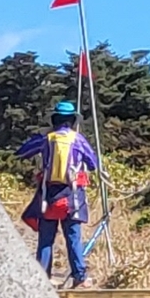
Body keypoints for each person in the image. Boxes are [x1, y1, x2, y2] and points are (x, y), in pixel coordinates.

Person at [18, 95, 99, 285]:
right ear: (72, 121)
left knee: (46, 239)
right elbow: (93, 164)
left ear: (54, 120)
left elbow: (22, 152)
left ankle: (42, 278)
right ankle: (79, 276)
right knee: (73, 238)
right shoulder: (78, 140)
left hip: (49, 196)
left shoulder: (46, 139)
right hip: (73, 197)